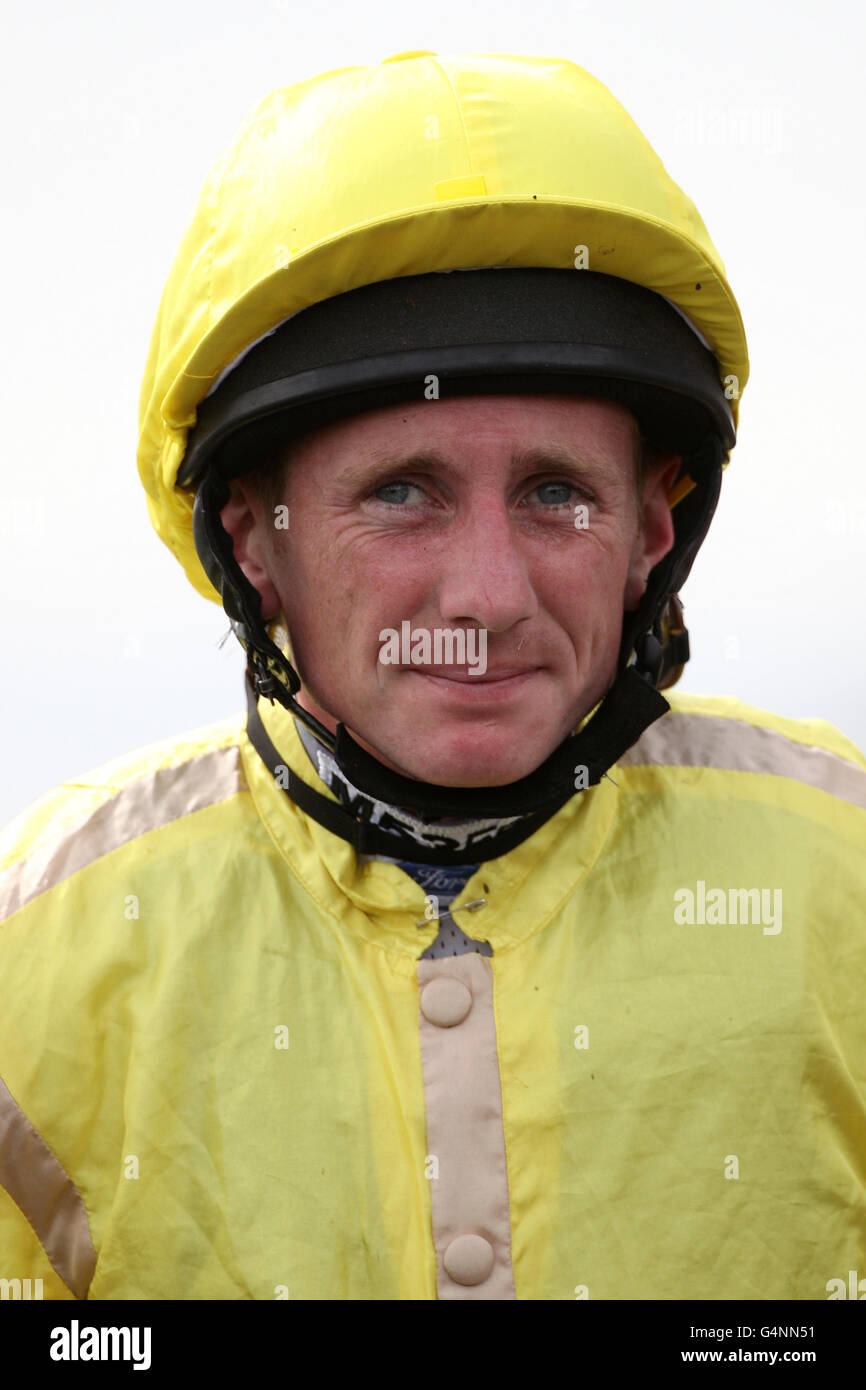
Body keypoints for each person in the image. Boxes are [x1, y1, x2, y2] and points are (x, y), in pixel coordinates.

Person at [1, 50, 864, 1304]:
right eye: (400, 493)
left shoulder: (844, 872)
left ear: (650, 535)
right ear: (253, 538)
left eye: (555, 494)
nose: (486, 595)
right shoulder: (41, 950)